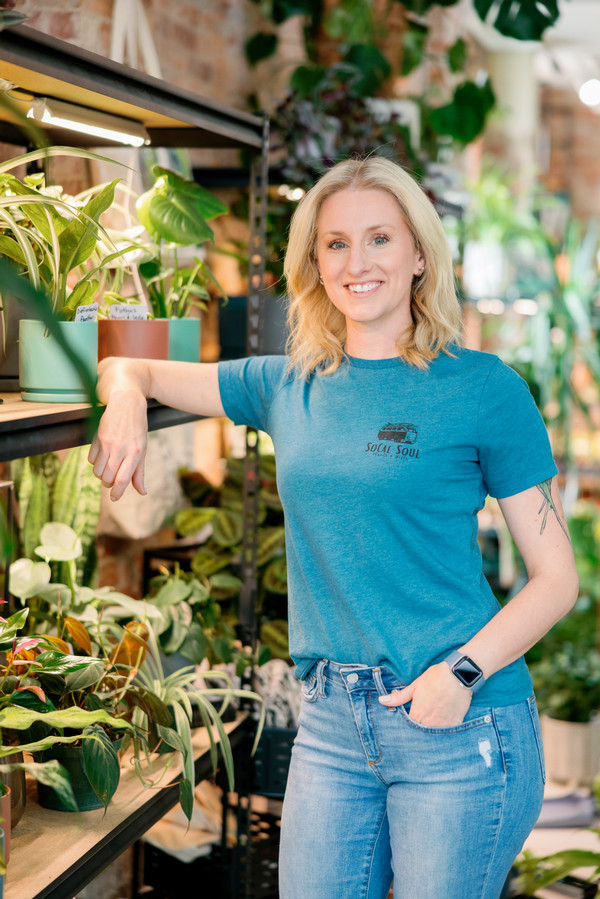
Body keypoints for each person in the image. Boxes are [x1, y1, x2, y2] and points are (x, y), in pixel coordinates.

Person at [89, 156, 578, 899]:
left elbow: (556, 579)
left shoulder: (484, 389)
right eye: (336, 244)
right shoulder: (287, 384)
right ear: (314, 263)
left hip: (458, 721)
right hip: (331, 726)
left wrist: (460, 675)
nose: (357, 263)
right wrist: (125, 394)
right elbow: (132, 364)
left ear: (419, 255)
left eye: (380, 238)